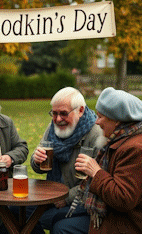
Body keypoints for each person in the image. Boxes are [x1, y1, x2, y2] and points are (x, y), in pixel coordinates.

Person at [28, 87, 106, 234]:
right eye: (54, 113)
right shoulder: (53, 128)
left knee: (56, 223)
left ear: (80, 111)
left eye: (63, 113)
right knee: (16, 211)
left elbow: (97, 180)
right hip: (52, 195)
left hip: (81, 201)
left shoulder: (97, 134)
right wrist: (36, 160)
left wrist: (66, 198)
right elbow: (38, 165)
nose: (58, 119)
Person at [67, 87, 142, 233]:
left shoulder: (134, 149)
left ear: (118, 120)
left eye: (101, 116)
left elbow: (123, 199)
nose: (96, 122)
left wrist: (96, 172)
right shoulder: (120, 139)